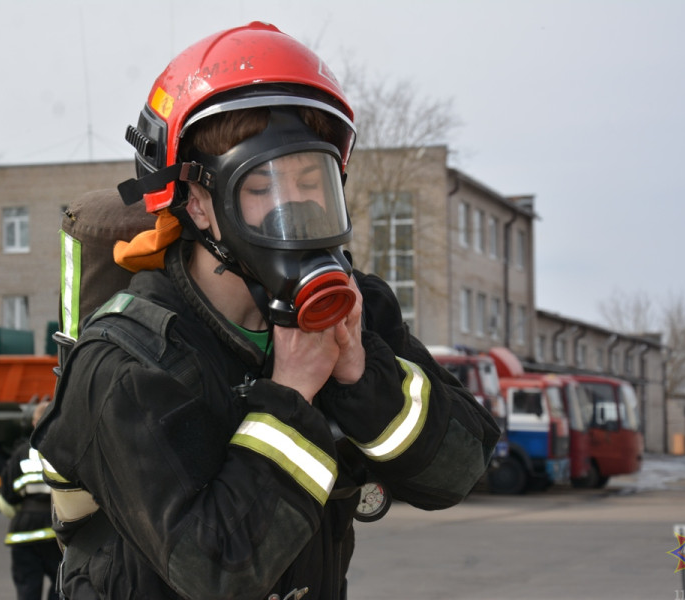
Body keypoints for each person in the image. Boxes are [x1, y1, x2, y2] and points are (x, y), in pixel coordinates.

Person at [33, 21, 500, 599]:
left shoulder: (357, 314)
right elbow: (215, 572)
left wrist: (363, 376)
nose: (298, 206)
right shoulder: (125, 364)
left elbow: (461, 469)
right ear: (200, 203)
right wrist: (293, 392)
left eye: (313, 180)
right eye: (265, 187)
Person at [0, 401, 62, 600]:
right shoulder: (66, 452)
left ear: (34, 422)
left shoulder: (21, 453)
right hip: (57, 532)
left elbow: (7, 495)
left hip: (23, 534)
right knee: (61, 586)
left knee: (27, 589)